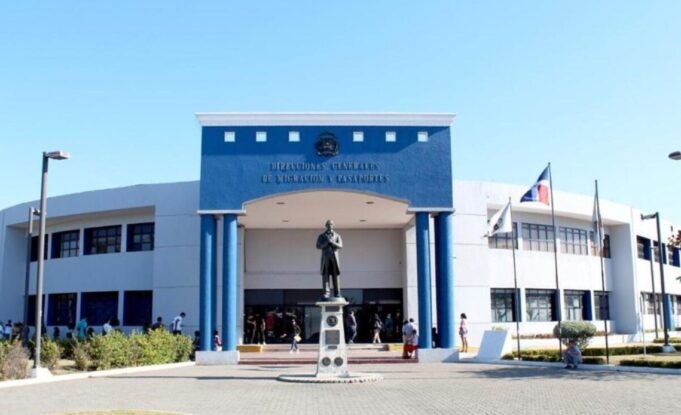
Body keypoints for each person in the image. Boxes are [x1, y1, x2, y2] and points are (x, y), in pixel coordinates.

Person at [316, 219, 343, 299]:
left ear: (333, 225)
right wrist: (326, 243)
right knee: (325, 275)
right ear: (326, 226)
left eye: (331, 224)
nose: (329, 226)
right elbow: (318, 246)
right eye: (328, 224)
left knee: (335, 275)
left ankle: (337, 293)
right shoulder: (322, 236)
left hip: (334, 257)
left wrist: (332, 242)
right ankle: (326, 293)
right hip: (326, 257)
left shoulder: (337, 235)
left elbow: (340, 246)